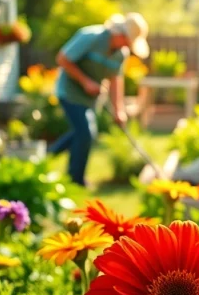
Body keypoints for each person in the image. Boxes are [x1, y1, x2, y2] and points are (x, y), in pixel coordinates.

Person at [49, 12, 149, 186]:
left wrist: (119, 110)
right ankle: (76, 180)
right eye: (128, 41)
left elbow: (115, 80)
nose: (128, 46)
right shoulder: (91, 37)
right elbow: (62, 59)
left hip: (90, 98)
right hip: (69, 92)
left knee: (82, 133)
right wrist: (86, 82)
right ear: (120, 34)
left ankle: (47, 156)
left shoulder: (121, 53)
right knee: (85, 133)